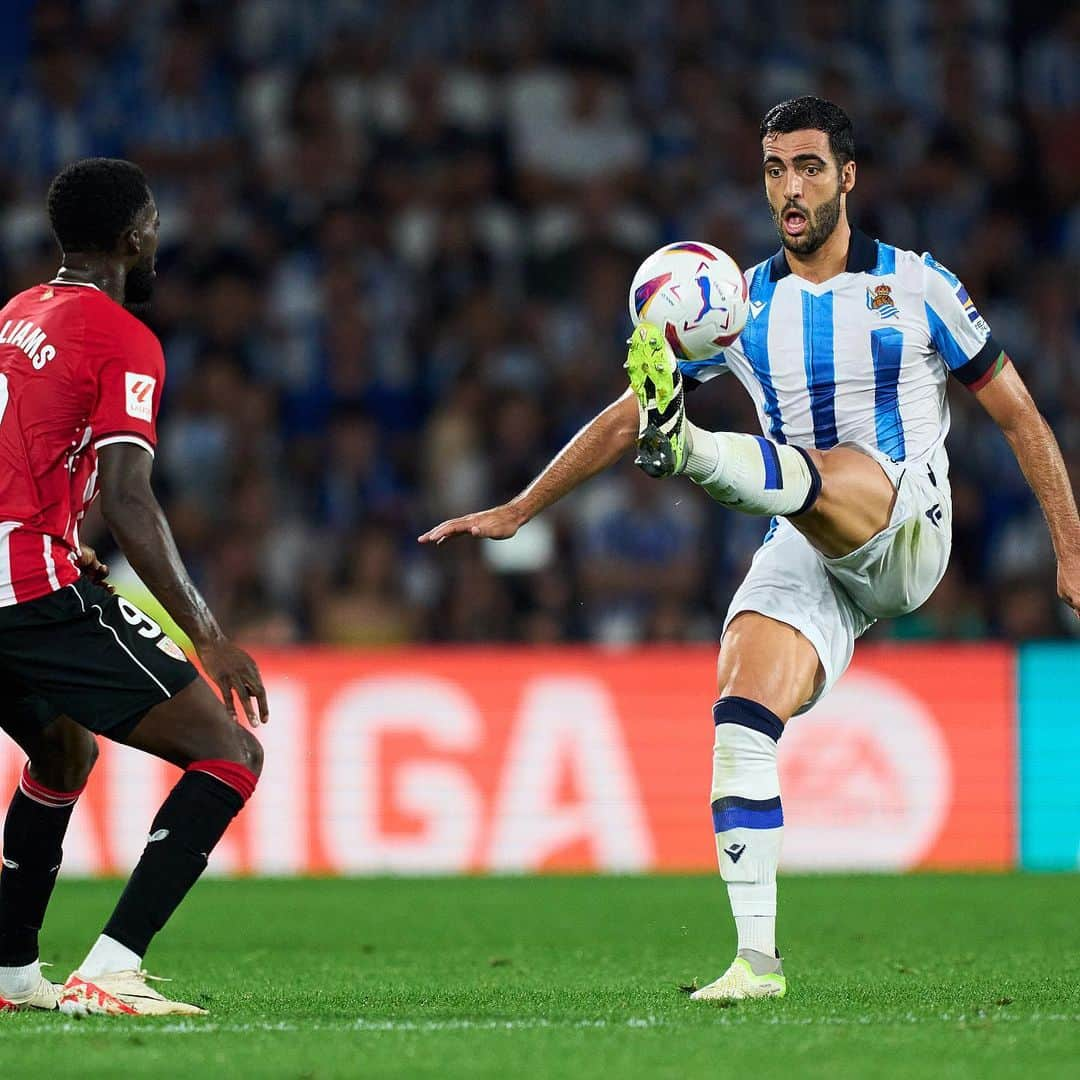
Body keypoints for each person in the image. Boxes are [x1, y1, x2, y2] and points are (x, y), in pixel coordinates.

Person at [420, 97, 1080, 1002]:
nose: (790, 188)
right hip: (806, 540)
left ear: (849, 177)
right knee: (739, 717)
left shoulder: (920, 287)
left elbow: (1021, 416)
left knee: (816, 462)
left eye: (809, 167)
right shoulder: (743, 302)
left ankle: (685, 447)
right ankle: (755, 963)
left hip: (904, 523)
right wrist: (520, 508)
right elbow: (624, 416)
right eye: (774, 170)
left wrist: (1069, 548)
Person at [0, 158, 268, 1016]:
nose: (158, 240)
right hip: (29, 589)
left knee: (62, 750)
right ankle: (113, 967)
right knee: (230, 751)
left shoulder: (17, 313)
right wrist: (208, 632)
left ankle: (8, 974)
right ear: (131, 237)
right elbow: (128, 496)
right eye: (153, 225)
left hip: (16, 571)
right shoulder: (122, 336)